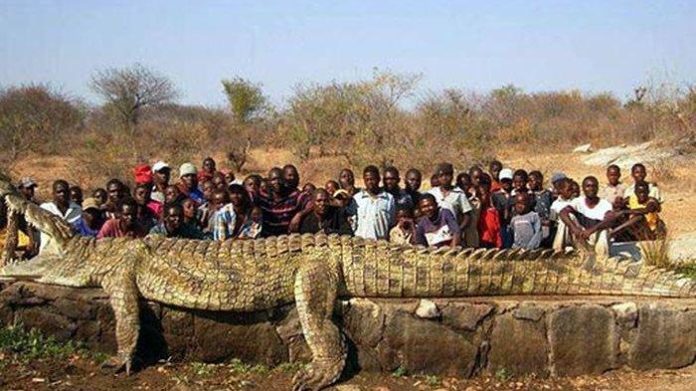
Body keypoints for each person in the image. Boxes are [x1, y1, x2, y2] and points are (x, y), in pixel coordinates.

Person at [559, 176, 617, 256]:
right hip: (581, 236)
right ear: (583, 188)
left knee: (604, 230)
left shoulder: (605, 204)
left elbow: (610, 220)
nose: (591, 189)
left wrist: (591, 230)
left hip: (596, 238)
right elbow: (562, 212)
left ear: (597, 188)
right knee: (566, 220)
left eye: (593, 186)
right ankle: (558, 251)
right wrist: (574, 228)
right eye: (588, 186)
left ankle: (602, 258)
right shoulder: (577, 201)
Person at [257, 167, 311, 236]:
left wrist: (299, 215)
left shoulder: (293, 195)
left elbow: (311, 202)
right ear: (269, 182)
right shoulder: (263, 195)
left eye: (279, 179)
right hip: (267, 239)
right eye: (273, 179)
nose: (277, 182)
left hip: (288, 238)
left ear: (284, 180)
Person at [428, 163, 473, 242]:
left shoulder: (459, 193)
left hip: (452, 234)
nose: (444, 178)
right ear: (438, 177)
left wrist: (458, 230)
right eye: (441, 176)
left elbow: (467, 215)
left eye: (447, 175)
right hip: (434, 234)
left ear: (452, 176)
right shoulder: (432, 193)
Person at [39, 180, 83, 254]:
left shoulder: (77, 209)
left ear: (69, 193)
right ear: (53, 194)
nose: (62, 194)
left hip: (70, 252)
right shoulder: (45, 208)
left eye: (65, 192)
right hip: (48, 251)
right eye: (59, 192)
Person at [353, 165, 395, 240]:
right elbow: (354, 223)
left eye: (372, 179)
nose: (370, 182)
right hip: (361, 243)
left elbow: (391, 222)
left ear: (379, 179)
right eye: (367, 180)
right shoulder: (357, 198)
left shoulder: (388, 199)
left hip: (380, 244)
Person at [549, 178, 576, 251]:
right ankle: (558, 249)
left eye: (572, 190)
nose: (571, 192)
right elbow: (552, 220)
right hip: (561, 231)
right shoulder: (555, 204)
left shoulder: (575, 202)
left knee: (570, 217)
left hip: (575, 231)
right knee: (563, 222)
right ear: (561, 191)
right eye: (569, 190)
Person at [528, 170, 553, 246]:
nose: (529, 183)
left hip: (547, 223)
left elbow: (552, 208)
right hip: (536, 224)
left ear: (539, 180)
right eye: (528, 181)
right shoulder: (530, 196)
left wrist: (551, 221)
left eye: (532, 181)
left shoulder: (548, 194)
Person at [492, 168, 514, 248]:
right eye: (504, 181)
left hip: (513, 224)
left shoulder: (516, 194)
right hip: (501, 224)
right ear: (500, 181)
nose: (506, 183)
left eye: (508, 180)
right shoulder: (495, 195)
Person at [476, 184, 502, 248]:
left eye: (484, 194)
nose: (482, 197)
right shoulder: (475, 212)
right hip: (479, 242)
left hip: (491, 243)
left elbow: (497, 229)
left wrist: (498, 243)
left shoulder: (493, 212)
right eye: (480, 195)